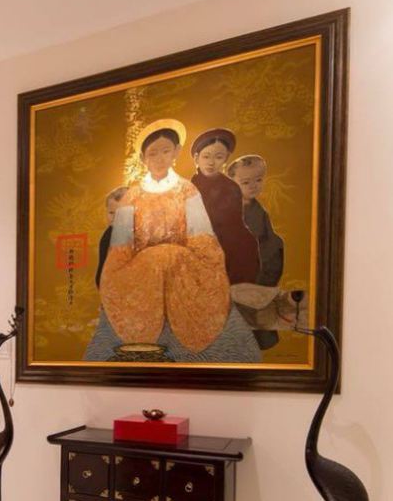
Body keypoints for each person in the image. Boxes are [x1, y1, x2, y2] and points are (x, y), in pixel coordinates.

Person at [84, 119, 261, 363]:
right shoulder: (132, 196)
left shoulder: (187, 190)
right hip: (140, 272)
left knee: (182, 266)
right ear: (143, 158)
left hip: (184, 266)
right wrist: (126, 270)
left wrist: (193, 261)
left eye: (165, 151)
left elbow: (202, 239)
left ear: (176, 152)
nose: (159, 158)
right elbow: (121, 248)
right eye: (152, 153)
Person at [227, 154, 285, 350]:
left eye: (258, 180)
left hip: (258, 273)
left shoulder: (260, 213)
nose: (253, 186)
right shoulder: (226, 211)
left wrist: (264, 277)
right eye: (245, 182)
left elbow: (271, 245)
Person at [191, 128, 260, 284]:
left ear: (226, 158)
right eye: (206, 156)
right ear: (196, 158)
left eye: (218, 157)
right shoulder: (189, 187)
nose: (211, 162)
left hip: (228, 235)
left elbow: (235, 220)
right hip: (199, 235)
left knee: (246, 243)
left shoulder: (231, 187)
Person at [95, 186, 128, 288]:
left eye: (121, 213)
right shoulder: (108, 235)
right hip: (110, 288)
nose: (115, 218)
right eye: (111, 213)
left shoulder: (140, 235)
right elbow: (102, 268)